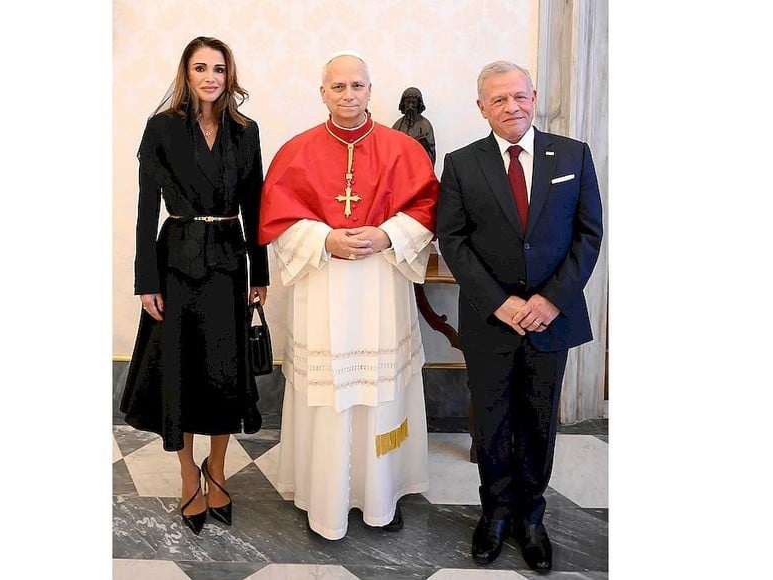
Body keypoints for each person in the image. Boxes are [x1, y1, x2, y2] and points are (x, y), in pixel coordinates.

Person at [258, 51, 439, 541]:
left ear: (370, 90)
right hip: (324, 285)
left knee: (382, 392)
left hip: (382, 281)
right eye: (337, 87)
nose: (347, 94)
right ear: (322, 93)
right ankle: (323, 491)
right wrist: (323, 239)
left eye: (356, 85)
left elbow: (427, 206)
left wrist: (387, 235)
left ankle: (383, 492)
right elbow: (275, 219)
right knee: (329, 393)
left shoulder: (404, 149)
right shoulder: (296, 151)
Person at [437, 61, 603, 571]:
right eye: (499, 100)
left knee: (537, 421)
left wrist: (551, 299)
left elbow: (588, 234)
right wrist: (500, 302)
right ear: (481, 107)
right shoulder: (462, 163)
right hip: (491, 322)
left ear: (534, 96)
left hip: (552, 319)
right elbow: (454, 240)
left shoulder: (573, 154)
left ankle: (532, 516)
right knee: (491, 422)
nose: (512, 107)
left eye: (519, 96)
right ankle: (495, 515)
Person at [119, 36, 269, 536]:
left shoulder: (245, 132)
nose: (210, 77)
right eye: (200, 67)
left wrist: (261, 274)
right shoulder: (160, 129)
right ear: (185, 73)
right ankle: (187, 473)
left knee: (225, 373)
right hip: (176, 262)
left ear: (230, 76)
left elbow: (256, 208)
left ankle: (218, 470)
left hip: (230, 260)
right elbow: (145, 214)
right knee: (179, 373)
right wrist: (146, 281)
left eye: (219, 69)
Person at [392, 87, 436, 165]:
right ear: (403, 103)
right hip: (401, 169)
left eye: (413, 102)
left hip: (419, 167)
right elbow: (390, 151)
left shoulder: (425, 125)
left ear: (419, 104)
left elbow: (431, 153)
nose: (410, 106)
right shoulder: (397, 125)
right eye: (408, 102)